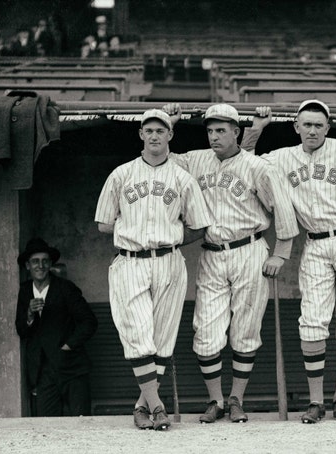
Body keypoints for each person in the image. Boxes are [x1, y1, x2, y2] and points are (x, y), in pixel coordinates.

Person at [241, 100, 336, 423]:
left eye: (318, 125)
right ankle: (316, 401)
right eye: (306, 124)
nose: (312, 130)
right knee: (312, 321)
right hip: (314, 241)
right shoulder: (282, 157)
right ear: (296, 127)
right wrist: (256, 129)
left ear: (328, 127)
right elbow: (245, 162)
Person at [162, 102, 299, 424]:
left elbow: (283, 210)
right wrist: (169, 122)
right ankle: (216, 400)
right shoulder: (195, 160)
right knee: (206, 332)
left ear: (237, 132)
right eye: (210, 130)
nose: (214, 136)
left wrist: (281, 252)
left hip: (249, 250)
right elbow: (160, 159)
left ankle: (237, 398)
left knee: (245, 330)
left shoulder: (258, 167)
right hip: (211, 251)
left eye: (221, 130)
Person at [95, 109, 211, 430]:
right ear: (141, 135)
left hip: (169, 261)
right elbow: (104, 224)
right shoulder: (121, 175)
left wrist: (169, 239)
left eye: (161, 130)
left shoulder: (182, 178)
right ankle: (158, 406)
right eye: (149, 130)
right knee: (136, 333)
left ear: (170, 135)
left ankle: (141, 407)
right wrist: (134, 230)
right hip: (130, 260)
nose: (155, 136)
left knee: (162, 339)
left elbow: (200, 226)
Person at [15, 238, 98, 417]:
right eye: (35, 261)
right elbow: (21, 330)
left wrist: (68, 345)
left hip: (72, 368)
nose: (41, 265)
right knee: (47, 427)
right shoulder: (24, 291)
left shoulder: (65, 288)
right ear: (28, 266)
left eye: (45, 261)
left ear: (51, 264)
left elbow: (89, 322)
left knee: (81, 424)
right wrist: (29, 314)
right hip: (43, 373)